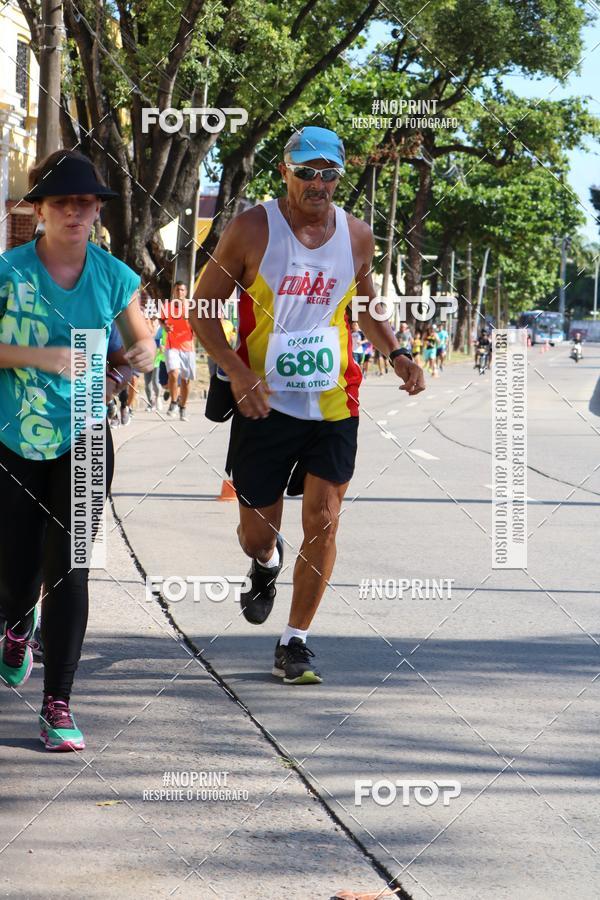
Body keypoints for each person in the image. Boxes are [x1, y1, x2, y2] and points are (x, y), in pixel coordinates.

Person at [191, 125, 425, 684]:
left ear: (341, 176)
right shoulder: (252, 229)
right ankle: (264, 565)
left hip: (334, 401)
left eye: (329, 173)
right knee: (258, 531)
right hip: (263, 404)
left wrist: (398, 353)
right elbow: (203, 308)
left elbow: (365, 309)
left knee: (323, 518)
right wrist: (239, 370)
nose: (319, 183)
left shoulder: (358, 236)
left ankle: (294, 641)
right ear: (285, 172)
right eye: (307, 172)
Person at [0, 149, 155, 750]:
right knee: (13, 572)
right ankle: (17, 624)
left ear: (97, 211)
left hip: (86, 441)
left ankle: (58, 704)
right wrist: (42, 357)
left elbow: (140, 343)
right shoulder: (9, 271)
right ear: (39, 209)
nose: (74, 212)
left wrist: (137, 357)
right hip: (12, 440)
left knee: (70, 569)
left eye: (84, 202)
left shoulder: (114, 276)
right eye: (61, 201)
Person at [160, 281, 195, 421]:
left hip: (188, 347)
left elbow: (198, 324)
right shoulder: (167, 306)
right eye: (177, 290)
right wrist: (165, 327)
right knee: (173, 374)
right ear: (174, 292)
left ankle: (183, 407)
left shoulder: (192, 307)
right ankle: (174, 402)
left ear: (185, 292)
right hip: (172, 346)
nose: (179, 292)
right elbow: (161, 320)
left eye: (182, 290)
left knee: (185, 380)